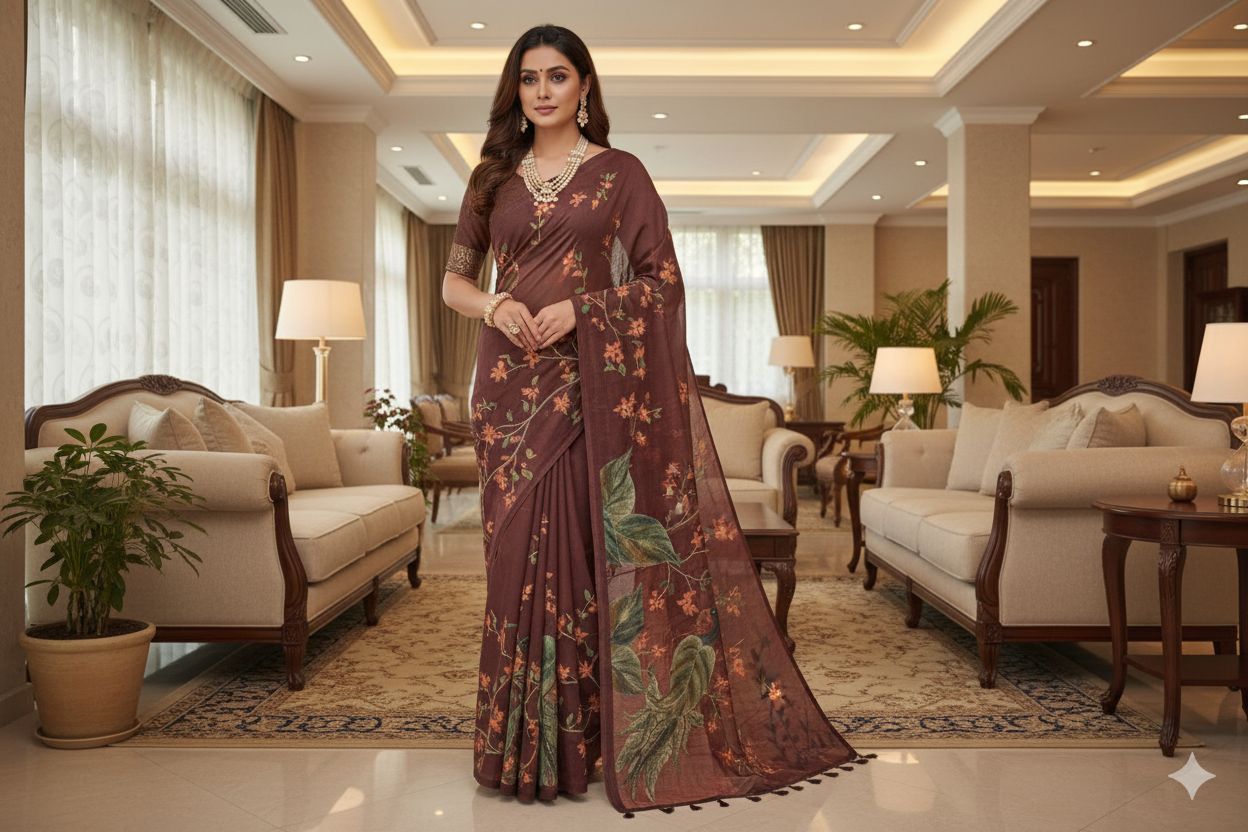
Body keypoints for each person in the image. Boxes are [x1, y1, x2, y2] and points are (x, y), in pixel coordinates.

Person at [441, 23, 859, 816]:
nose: (541, 90)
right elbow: (455, 281)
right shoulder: (491, 176)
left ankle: (584, 740)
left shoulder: (619, 174)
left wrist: (581, 310)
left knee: (582, 568)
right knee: (513, 566)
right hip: (505, 392)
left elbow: (663, 281)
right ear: (515, 90)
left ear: (585, 87)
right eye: (528, 78)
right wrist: (497, 304)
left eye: (557, 76)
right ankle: (519, 743)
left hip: (584, 389)